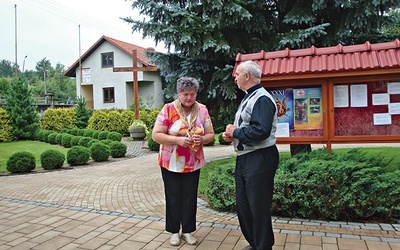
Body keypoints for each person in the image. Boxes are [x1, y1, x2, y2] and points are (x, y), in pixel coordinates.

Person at [152, 76, 215, 246]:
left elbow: (210, 135)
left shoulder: (202, 109)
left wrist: (201, 140)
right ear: (179, 94)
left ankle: (187, 231)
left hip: (193, 162)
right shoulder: (168, 109)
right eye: (185, 94)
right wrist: (177, 141)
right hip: (170, 162)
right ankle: (174, 231)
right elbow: (156, 135)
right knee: (173, 196)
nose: (189, 98)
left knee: (189, 196)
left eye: (192, 94)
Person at [223, 60, 279, 250]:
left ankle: (263, 247)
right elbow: (247, 128)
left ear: (247, 76)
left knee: (258, 207)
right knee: (244, 206)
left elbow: (261, 131)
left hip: (260, 158)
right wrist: (231, 135)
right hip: (246, 158)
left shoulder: (262, 99)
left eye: (237, 74)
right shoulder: (250, 97)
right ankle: (255, 244)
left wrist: (236, 132)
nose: (235, 78)